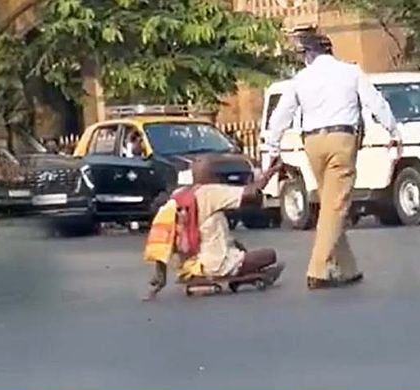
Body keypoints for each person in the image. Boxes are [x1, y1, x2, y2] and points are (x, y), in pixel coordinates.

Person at [266, 33, 401, 290]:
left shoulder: (301, 79)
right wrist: (393, 131)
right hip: (342, 139)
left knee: (330, 204)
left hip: (312, 143)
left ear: (309, 54)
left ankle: (347, 268)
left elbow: (281, 115)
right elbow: (376, 103)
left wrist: (273, 146)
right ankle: (318, 270)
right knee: (335, 206)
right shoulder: (350, 73)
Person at [146, 156, 285, 297]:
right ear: (211, 175)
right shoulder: (210, 192)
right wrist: (270, 173)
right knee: (269, 255)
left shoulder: (177, 196)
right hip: (216, 264)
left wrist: (160, 275)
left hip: (187, 266)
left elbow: (163, 237)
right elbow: (250, 193)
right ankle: (243, 276)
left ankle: (231, 274)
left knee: (238, 246)